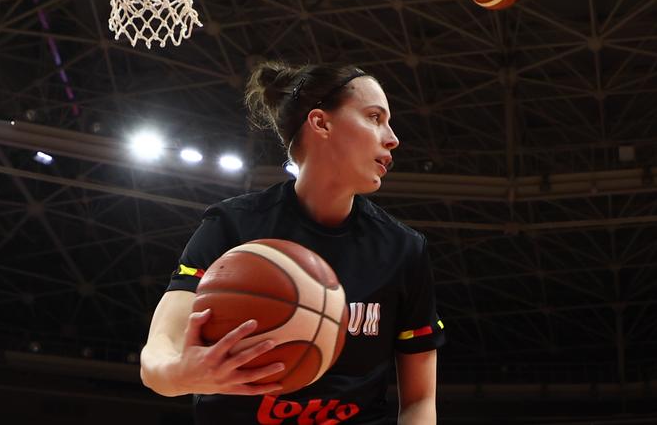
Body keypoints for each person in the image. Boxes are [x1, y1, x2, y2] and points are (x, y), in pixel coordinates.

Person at [140, 61, 445, 424]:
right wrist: (179, 374)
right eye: (375, 117)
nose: (393, 137)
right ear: (321, 123)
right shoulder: (233, 225)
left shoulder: (402, 249)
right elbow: (157, 355)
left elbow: (421, 401)